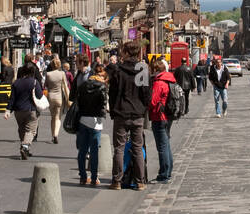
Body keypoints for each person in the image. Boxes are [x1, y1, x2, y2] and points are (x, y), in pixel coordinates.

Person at [107, 41, 150, 190]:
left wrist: (113, 110)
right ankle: (140, 181)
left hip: (121, 112)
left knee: (119, 147)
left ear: (125, 53)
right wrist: (143, 109)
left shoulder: (118, 70)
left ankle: (117, 181)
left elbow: (112, 93)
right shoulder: (142, 69)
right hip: (137, 113)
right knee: (138, 148)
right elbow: (146, 93)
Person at [75, 62, 110, 186]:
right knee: (94, 151)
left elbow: (77, 101)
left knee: (82, 151)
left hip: (83, 119)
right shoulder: (102, 87)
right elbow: (103, 105)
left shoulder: (83, 85)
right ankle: (94, 178)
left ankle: (83, 177)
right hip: (96, 122)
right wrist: (102, 115)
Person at [4, 63, 44, 159]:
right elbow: (39, 95)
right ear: (33, 72)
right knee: (31, 130)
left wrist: (8, 110)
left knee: (22, 129)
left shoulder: (16, 83)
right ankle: (25, 146)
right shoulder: (34, 82)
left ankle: (26, 149)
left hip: (18, 111)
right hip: (31, 110)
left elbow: (12, 98)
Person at [148, 57, 177, 183]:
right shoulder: (169, 79)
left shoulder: (159, 82)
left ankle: (164, 173)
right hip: (167, 116)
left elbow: (153, 101)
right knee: (166, 145)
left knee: (162, 147)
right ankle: (168, 170)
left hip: (159, 116)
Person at [44, 55, 70, 144]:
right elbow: (65, 86)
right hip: (59, 97)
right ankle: (56, 135)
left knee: (52, 117)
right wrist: (68, 98)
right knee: (58, 117)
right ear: (59, 65)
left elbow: (46, 85)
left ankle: (52, 135)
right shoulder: (62, 73)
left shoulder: (48, 74)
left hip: (50, 97)